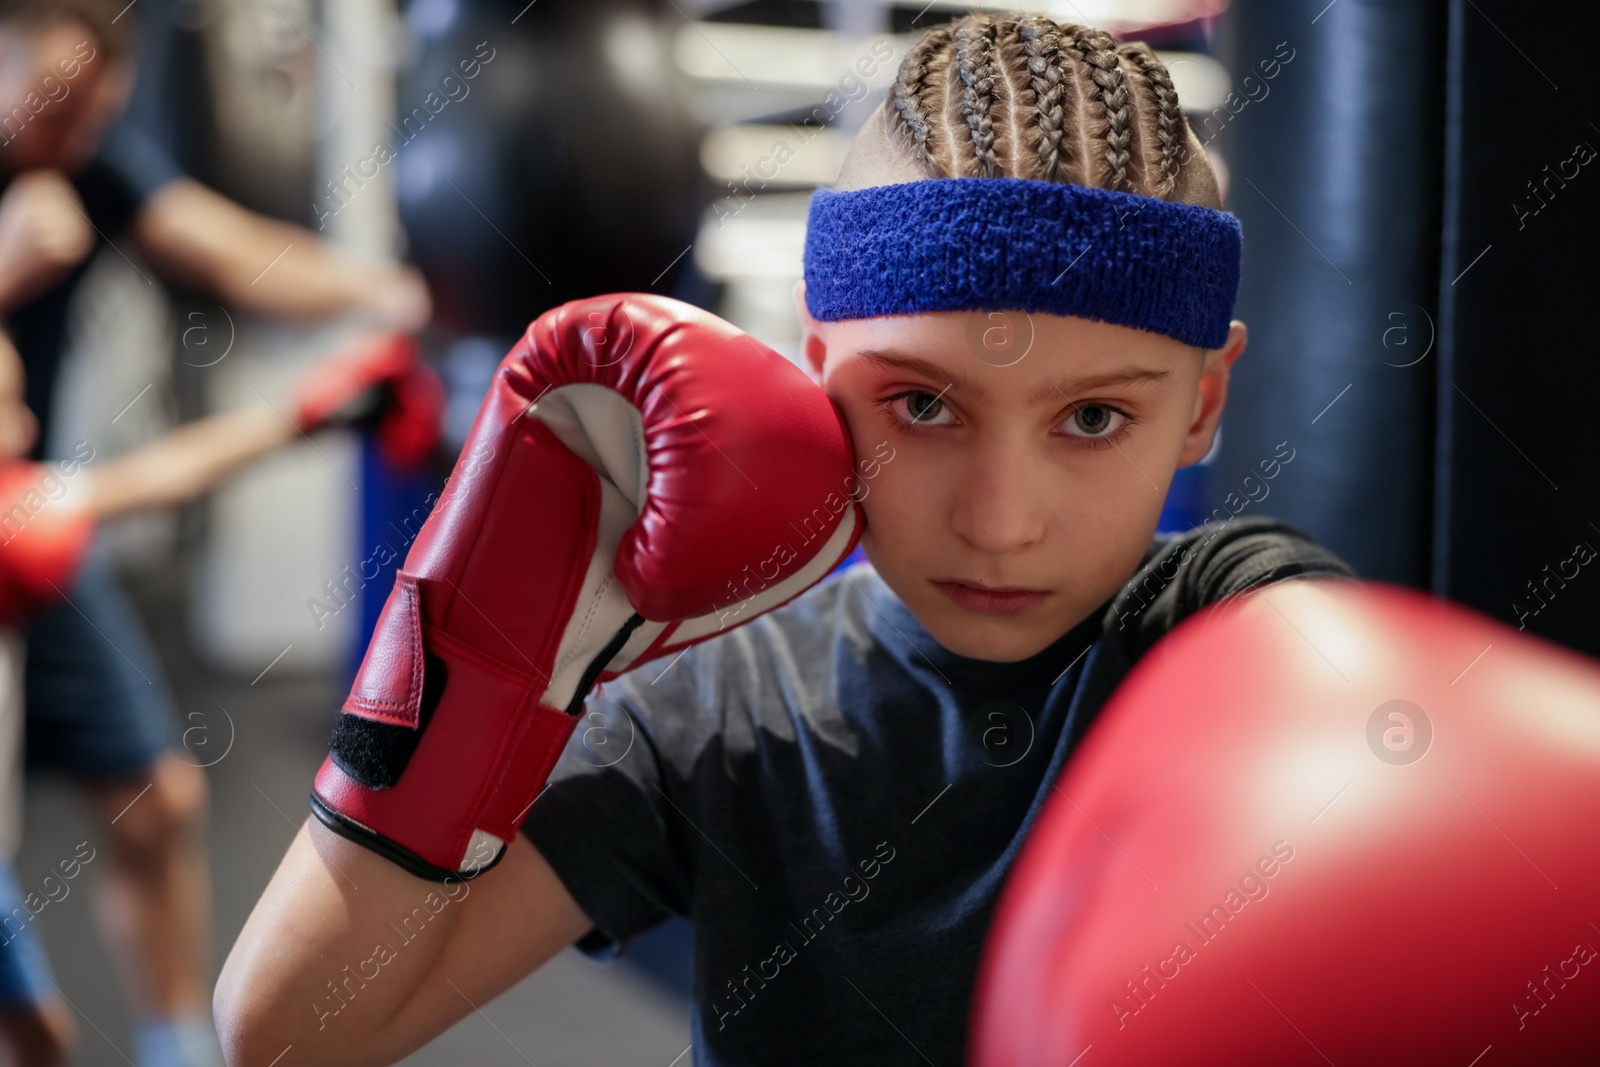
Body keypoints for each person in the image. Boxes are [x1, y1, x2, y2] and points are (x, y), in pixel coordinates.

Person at [215, 13, 1357, 1066]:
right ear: (815, 370)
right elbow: (284, 1030)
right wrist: (494, 649)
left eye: (1093, 417)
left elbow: (1363, 712)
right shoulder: (721, 694)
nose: (999, 520)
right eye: (922, 405)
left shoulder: (1224, 629)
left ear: (1204, 405)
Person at [0, 1, 432, 1064]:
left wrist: (394, 300)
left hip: (23, 525)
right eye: (54, 105)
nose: (77, 135)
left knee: (154, 800)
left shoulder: (83, 165)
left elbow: (236, 260)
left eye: (95, 112)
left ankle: (177, 1042)